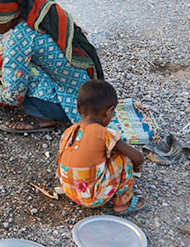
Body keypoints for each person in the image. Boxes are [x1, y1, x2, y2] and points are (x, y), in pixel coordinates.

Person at [0, 0, 103, 133]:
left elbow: (13, 97)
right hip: (88, 91)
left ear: (4, 17)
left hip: (72, 106)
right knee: (6, 58)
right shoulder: (36, 16)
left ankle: (43, 119)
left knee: (8, 66)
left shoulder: (18, 41)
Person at [58, 80, 146, 214]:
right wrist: (137, 166)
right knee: (124, 158)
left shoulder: (68, 132)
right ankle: (123, 204)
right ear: (109, 111)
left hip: (70, 191)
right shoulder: (105, 133)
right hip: (93, 199)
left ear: (77, 107)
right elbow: (138, 157)